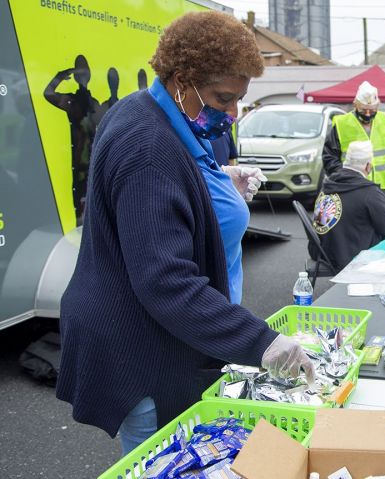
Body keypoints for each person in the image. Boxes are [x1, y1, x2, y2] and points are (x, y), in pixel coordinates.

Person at [56, 11, 313, 456]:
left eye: (239, 101)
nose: (232, 113)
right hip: (145, 350)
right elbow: (165, 281)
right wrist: (262, 342)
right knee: (165, 457)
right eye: (223, 98)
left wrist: (214, 183)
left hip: (158, 335)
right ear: (181, 80)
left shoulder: (151, 113)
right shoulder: (148, 145)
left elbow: (166, 195)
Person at [312, 140, 385, 270]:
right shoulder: (370, 192)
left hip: (323, 253)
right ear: (368, 166)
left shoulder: (328, 185)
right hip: (354, 257)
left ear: (346, 162)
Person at [44, 54, 101, 224]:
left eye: (85, 71)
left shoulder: (93, 102)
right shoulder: (72, 101)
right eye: (80, 71)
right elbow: (48, 93)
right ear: (75, 75)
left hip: (92, 161)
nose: (83, 75)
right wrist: (60, 76)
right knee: (81, 209)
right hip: (81, 161)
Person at [322, 81, 385, 202]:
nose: (367, 114)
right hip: (352, 186)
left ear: (377, 106)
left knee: (383, 219)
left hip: (382, 186)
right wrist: (342, 176)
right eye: (363, 110)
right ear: (355, 105)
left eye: (371, 111)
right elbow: (329, 156)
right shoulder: (342, 123)